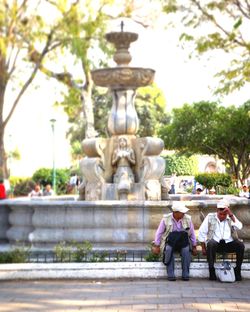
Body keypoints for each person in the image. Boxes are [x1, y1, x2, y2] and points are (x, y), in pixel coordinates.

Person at [198, 199, 245, 281]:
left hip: (228, 243)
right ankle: (211, 271)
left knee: (240, 245)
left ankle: (237, 271)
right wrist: (203, 248)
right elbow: (202, 232)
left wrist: (230, 214)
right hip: (216, 244)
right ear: (217, 210)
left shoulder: (231, 217)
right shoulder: (210, 217)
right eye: (220, 214)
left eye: (224, 214)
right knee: (211, 243)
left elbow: (240, 226)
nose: (222, 216)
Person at [152, 202, 197, 281]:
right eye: (182, 212)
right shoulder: (166, 219)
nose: (184, 213)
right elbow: (159, 233)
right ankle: (170, 273)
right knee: (168, 249)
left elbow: (192, 233)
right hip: (170, 241)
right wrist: (157, 245)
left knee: (186, 250)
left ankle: (185, 273)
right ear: (175, 212)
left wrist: (194, 246)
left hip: (183, 241)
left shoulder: (188, 218)